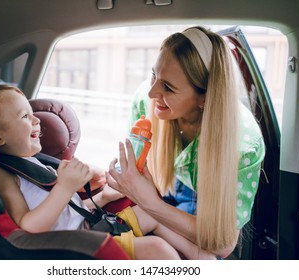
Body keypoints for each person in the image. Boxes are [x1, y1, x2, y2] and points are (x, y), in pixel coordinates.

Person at [0, 84, 209, 260]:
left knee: (150, 210)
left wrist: (103, 198)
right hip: (75, 245)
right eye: (24, 116)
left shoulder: (35, 163)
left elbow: (67, 209)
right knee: (158, 249)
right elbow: (28, 227)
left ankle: (200, 257)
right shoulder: (5, 176)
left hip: (88, 225)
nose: (36, 119)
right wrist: (65, 186)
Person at [107, 26, 266, 259]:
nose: (152, 92)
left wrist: (153, 207)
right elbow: (143, 170)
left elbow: (222, 243)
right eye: (154, 75)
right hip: (164, 185)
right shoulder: (146, 99)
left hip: (206, 199)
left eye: (168, 87)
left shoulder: (243, 144)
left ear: (204, 97)